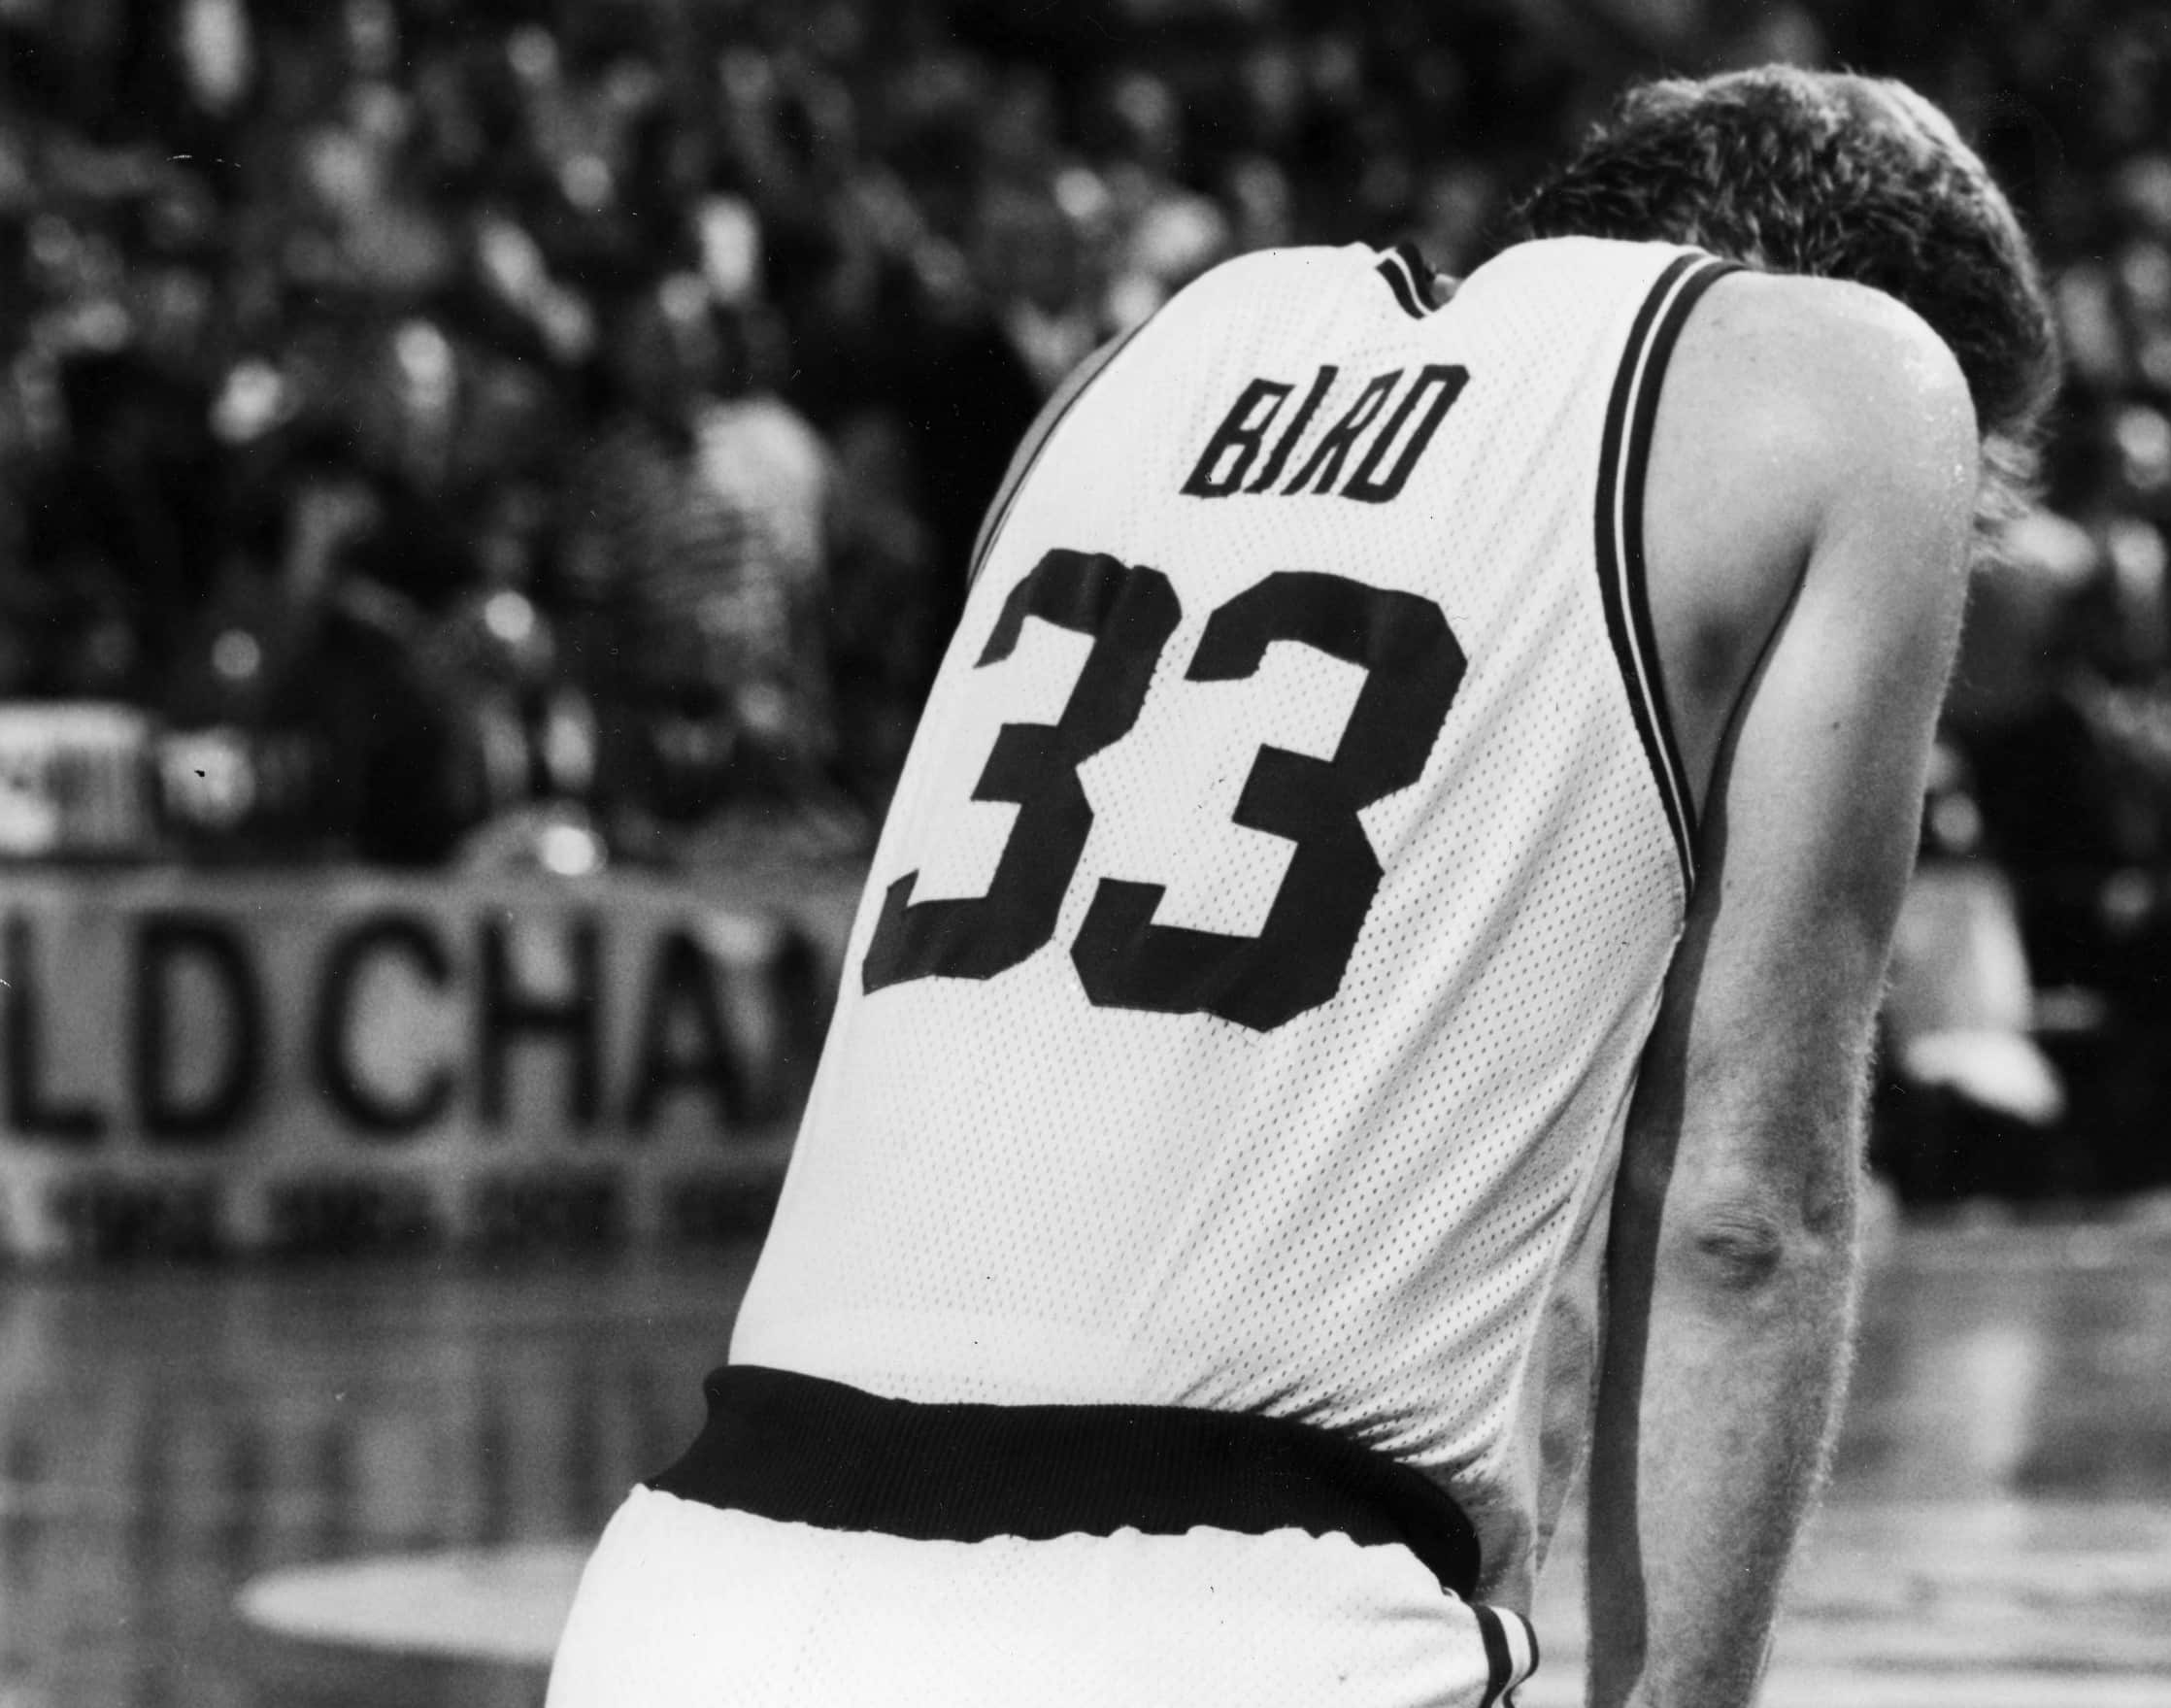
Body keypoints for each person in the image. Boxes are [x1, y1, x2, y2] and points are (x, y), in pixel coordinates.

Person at [547, 65, 2057, 1708]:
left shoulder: (1139, 365)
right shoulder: (1849, 380)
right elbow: (1742, 1224)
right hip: (1222, 1614)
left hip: (685, 1589)